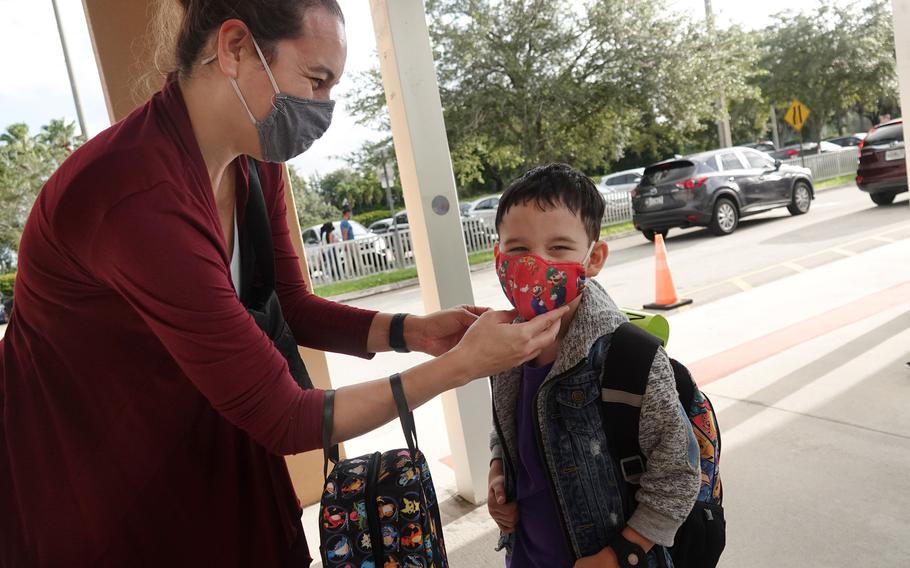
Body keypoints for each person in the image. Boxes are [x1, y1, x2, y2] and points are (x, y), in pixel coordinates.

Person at [0, 2, 568, 566]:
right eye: (315, 80)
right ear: (236, 48)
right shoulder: (135, 195)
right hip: (103, 473)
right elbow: (284, 416)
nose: (324, 107)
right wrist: (460, 366)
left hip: (211, 439)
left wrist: (414, 332)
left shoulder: (254, 161)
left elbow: (288, 305)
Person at [486, 164, 700, 568]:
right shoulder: (504, 347)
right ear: (498, 256)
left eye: (559, 248)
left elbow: (678, 472)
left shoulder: (626, 358)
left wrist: (623, 554)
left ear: (594, 257)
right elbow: (507, 426)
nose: (535, 266)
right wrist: (499, 472)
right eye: (517, 250)